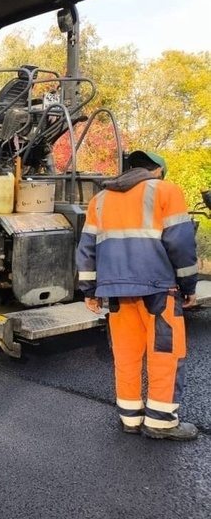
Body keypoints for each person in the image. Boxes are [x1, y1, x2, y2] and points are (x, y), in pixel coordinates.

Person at [76, 150, 198, 441]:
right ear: (158, 171)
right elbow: (180, 244)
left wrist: (89, 291)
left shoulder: (100, 199)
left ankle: (129, 417)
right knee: (164, 354)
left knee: (126, 353)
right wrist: (189, 286)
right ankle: (161, 421)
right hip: (158, 289)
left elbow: (87, 250)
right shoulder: (166, 191)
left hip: (116, 292)